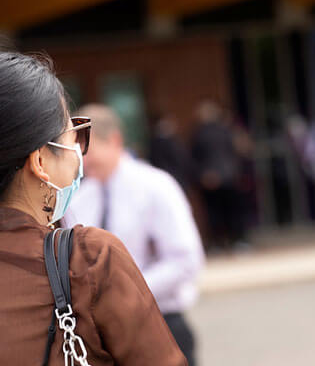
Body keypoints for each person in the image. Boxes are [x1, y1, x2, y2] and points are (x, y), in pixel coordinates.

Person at [0, 52, 186, 365]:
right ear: (41, 161)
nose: (79, 156)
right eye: (74, 138)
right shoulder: (90, 257)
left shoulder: (155, 185)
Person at [65, 104, 204, 366]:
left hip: (159, 321)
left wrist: (120, 295)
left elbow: (186, 261)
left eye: (87, 151)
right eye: (77, 152)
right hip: (102, 334)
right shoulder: (79, 198)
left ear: (115, 140)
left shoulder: (156, 186)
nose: (82, 160)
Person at [190, 101, 248, 250]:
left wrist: (205, 174)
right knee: (231, 211)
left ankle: (220, 242)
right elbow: (236, 151)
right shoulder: (226, 130)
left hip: (211, 178)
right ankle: (237, 241)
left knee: (215, 213)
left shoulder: (199, 133)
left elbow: (195, 158)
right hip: (229, 177)